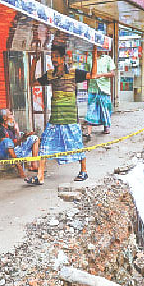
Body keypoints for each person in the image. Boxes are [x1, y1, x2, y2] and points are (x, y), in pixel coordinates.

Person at [28, 45, 97, 185]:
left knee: (77, 145)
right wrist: (34, 62)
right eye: (52, 57)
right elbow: (32, 83)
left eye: (56, 56)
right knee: (45, 147)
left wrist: (94, 54)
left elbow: (93, 75)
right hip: (55, 119)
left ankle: (84, 171)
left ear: (63, 58)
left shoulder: (74, 73)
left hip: (70, 118)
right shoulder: (50, 74)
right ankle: (40, 177)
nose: (53, 59)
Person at [0, 108, 43, 181]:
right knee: (7, 141)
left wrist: (23, 137)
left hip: (14, 149)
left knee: (34, 138)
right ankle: (19, 168)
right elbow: (8, 145)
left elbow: (16, 143)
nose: (12, 116)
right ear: (4, 118)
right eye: (10, 114)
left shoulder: (11, 128)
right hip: (5, 153)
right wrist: (19, 167)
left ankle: (34, 164)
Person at [83, 50, 116, 141]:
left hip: (104, 89)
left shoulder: (107, 59)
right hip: (92, 88)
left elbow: (112, 73)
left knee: (105, 109)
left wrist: (101, 75)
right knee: (91, 109)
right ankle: (88, 131)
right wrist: (87, 87)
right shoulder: (89, 59)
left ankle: (106, 126)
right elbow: (87, 74)